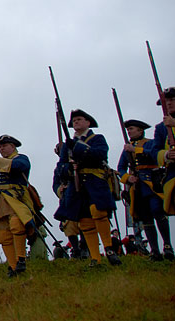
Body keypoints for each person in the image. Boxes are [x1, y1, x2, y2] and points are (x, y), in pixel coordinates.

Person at [53, 110, 120, 266]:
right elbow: (61, 167)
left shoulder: (97, 138)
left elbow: (100, 154)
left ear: (88, 122)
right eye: (74, 120)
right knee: (84, 221)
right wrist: (69, 168)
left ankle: (109, 249)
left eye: (79, 119)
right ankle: (95, 257)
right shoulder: (67, 145)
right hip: (77, 185)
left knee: (99, 212)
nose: (76, 122)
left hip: (96, 181)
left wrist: (77, 147)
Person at [117, 119, 171, 261]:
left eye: (131, 129)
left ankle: (167, 246)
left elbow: (154, 154)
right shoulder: (127, 148)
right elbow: (121, 168)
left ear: (140, 131)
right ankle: (155, 251)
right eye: (128, 129)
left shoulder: (149, 143)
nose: (129, 131)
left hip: (152, 183)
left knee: (157, 211)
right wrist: (127, 178)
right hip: (138, 187)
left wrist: (135, 150)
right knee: (146, 217)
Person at [0, 135, 36, 277]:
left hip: (17, 199)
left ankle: (21, 259)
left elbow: (19, 166)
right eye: (0, 147)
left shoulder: (21, 158)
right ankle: (13, 266)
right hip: (1, 201)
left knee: (17, 224)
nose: (2, 149)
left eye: (5, 146)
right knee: (4, 235)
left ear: (13, 147)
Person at [144, 86, 175, 260]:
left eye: (172, 100)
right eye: (167, 101)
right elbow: (155, 151)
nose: (169, 103)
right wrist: (166, 155)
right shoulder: (161, 128)